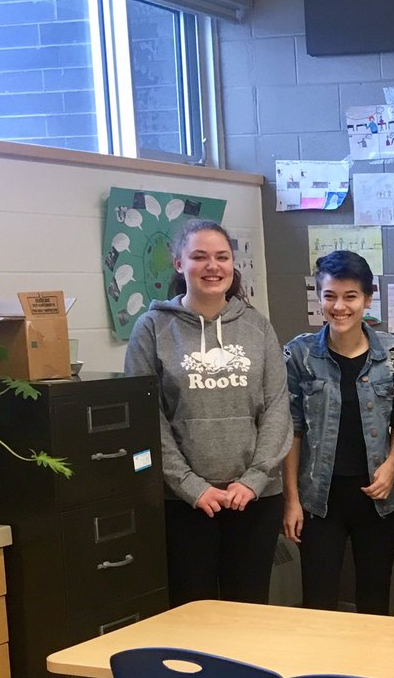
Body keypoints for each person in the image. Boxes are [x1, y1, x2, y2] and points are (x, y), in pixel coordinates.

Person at [124, 219, 292, 606]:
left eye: (222, 257)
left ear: (233, 264)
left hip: (255, 498)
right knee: (190, 612)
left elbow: (277, 407)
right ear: (179, 264)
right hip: (184, 503)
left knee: (248, 608)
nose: (212, 266)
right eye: (199, 256)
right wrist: (190, 487)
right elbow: (146, 418)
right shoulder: (152, 328)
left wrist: (253, 479)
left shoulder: (257, 326)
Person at [282, 251, 394, 614]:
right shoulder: (299, 354)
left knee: (374, 599)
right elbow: (291, 429)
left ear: (367, 299)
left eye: (350, 296)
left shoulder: (391, 353)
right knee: (319, 600)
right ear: (319, 298)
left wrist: (390, 466)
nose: (339, 306)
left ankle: (369, 671)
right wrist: (291, 500)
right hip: (319, 500)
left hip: (378, 497)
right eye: (329, 296)